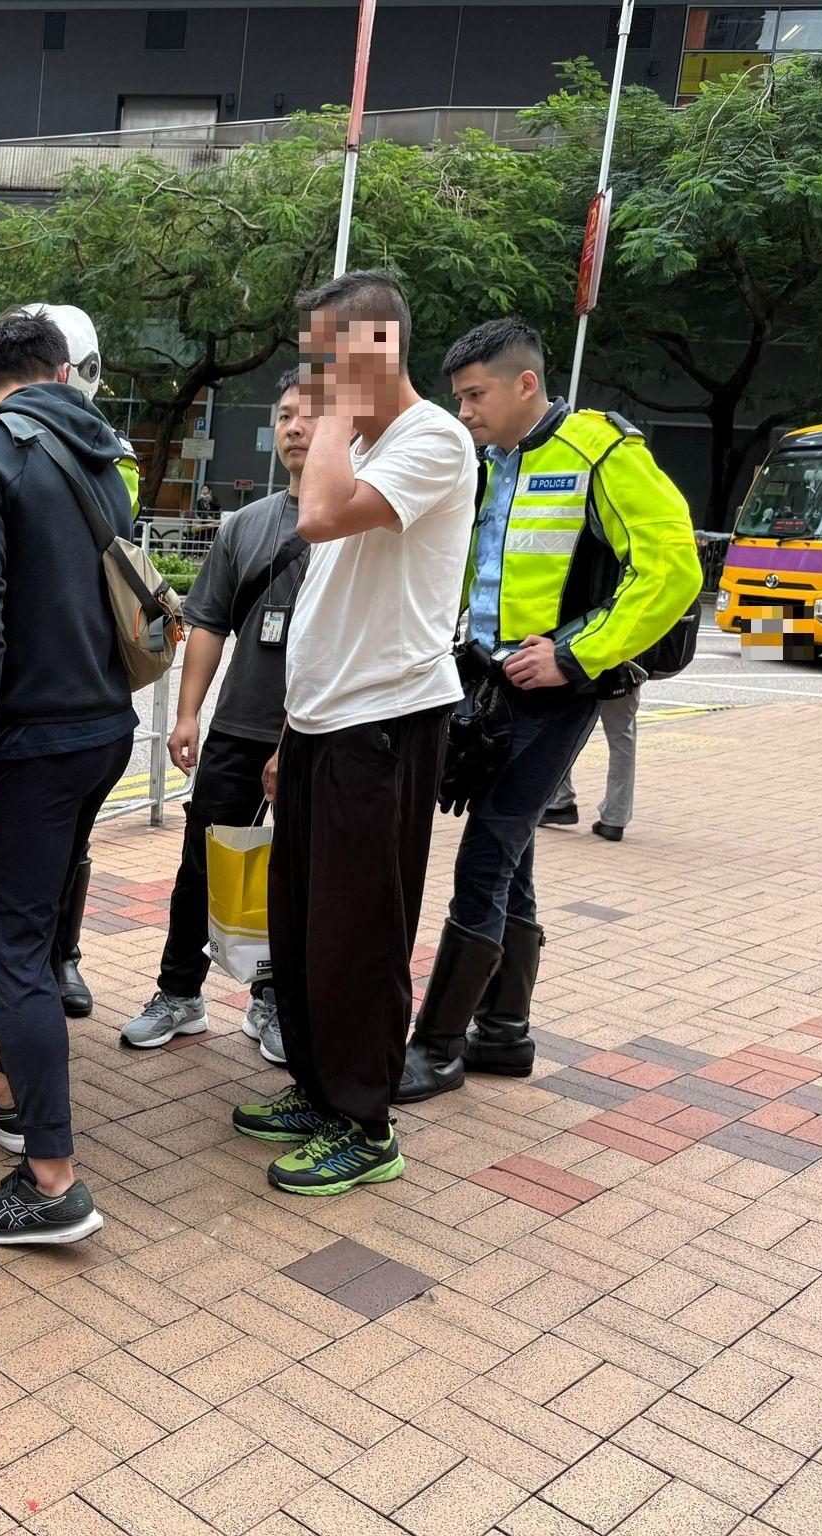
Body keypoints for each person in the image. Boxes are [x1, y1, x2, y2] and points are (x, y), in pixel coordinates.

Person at [396, 317, 699, 1105]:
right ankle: (502, 1033)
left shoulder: (602, 450)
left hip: (559, 694)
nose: (463, 411)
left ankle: (435, 1047)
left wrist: (572, 654)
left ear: (525, 383)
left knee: (486, 857)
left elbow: (672, 570)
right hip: (490, 683)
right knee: (512, 849)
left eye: (475, 395)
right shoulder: (492, 459)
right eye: (457, 397)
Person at [230, 270, 476, 1196]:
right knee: (300, 928)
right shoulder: (372, 447)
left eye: (326, 359)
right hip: (327, 726)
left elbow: (321, 515)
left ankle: (365, 1123)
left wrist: (332, 412)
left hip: (385, 723)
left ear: (375, 349)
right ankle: (319, 1089)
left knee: (360, 931)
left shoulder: (434, 440)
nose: (314, 385)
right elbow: (332, 589)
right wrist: (291, 735)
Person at [0, 308, 136, 1245]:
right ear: (60, 373)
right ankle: (11, 1093)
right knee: (35, 915)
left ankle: (51, 1183)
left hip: (31, 741)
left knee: (12, 948)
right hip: (102, 731)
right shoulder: (100, 461)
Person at [122, 369, 314, 1059]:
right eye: (286, 415)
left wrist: (292, 740)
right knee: (202, 866)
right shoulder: (249, 524)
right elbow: (208, 624)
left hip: (316, 738)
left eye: (311, 416)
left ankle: (273, 1003)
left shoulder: (355, 527)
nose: (295, 427)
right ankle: (180, 994)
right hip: (237, 730)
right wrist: (187, 714)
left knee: (292, 875)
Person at [543, 691, 636, 841]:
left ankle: (560, 800)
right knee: (622, 739)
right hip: (623, 672)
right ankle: (615, 818)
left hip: (581, 674)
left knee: (561, 728)